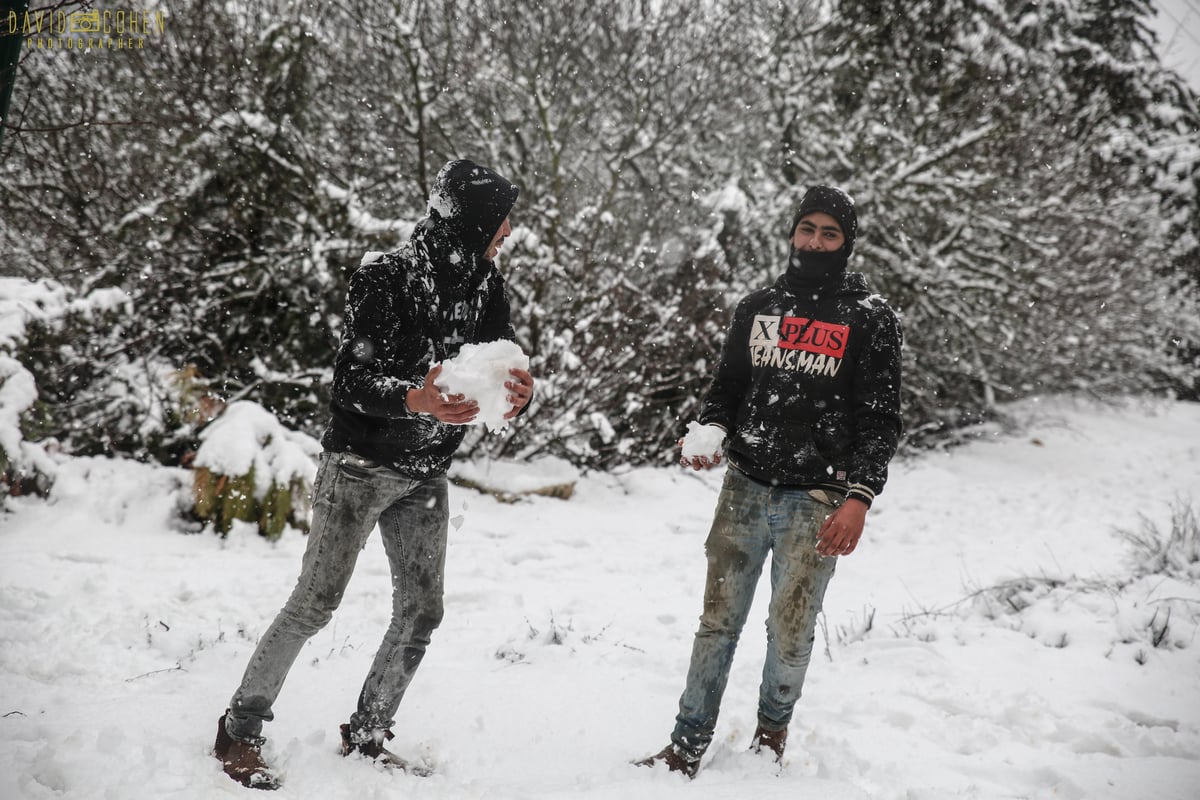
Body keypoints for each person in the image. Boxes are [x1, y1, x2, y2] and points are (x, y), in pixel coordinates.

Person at [212, 159, 535, 789]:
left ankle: (367, 733)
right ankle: (239, 729)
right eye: (499, 223)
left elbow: (500, 364)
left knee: (422, 610)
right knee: (315, 604)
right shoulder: (384, 277)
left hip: (428, 471)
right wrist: (415, 398)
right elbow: (351, 382)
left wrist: (518, 392)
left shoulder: (485, 285)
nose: (506, 235)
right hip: (358, 466)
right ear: (469, 223)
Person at [638, 185, 902, 778]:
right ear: (791, 233)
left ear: (847, 243)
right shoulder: (758, 308)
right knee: (717, 622)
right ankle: (684, 746)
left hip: (819, 498)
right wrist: (708, 431)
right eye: (807, 228)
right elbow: (728, 391)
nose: (815, 241)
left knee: (791, 630)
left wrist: (859, 497)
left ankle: (770, 734)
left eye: (829, 233)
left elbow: (881, 418)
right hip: (745, 489)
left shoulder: (870, 319)